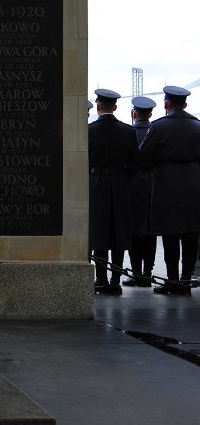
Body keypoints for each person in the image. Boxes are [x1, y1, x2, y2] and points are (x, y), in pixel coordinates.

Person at [139, 86, 200, 295]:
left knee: (170, 234)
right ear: (185, 104)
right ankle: (186, 280)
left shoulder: (159, 127)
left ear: (166, 103)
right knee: (191, 233)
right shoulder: (197, 126)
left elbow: (143, 156)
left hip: (167, 184)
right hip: (194, 184)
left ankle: (173, 279)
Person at [88, 88, 138, 295]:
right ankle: (116, 279)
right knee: (119, 232)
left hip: (97, 182)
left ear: (98, 106)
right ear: (115, 107)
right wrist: (122, 178)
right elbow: (135, 163)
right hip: (119, 183)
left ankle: (101, 278)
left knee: (99, 231)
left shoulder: (89, 130)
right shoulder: (128, 131)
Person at [123, 96, 157, 287]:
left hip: (132, 185)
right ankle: (147, 273)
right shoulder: (156, 131)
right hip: (153, 184)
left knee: (134, 231)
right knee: (151, 231)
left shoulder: (128, 132)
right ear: (150, 114)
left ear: (133, 114)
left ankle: (135, 273)